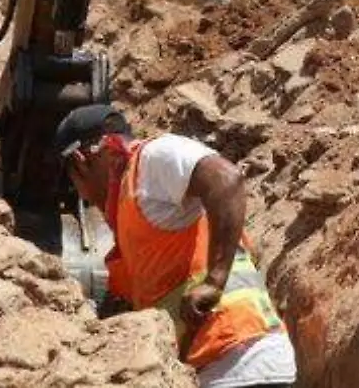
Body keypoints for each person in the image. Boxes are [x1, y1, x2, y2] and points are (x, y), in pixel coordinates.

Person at [58, 104, 297, 388]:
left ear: (81, 160)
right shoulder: (131, 207)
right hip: (219, 364)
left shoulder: (151, 159)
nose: (81, 195)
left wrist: (215, 281)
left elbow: (226, 180)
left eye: (74, 182)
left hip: (237, 358)